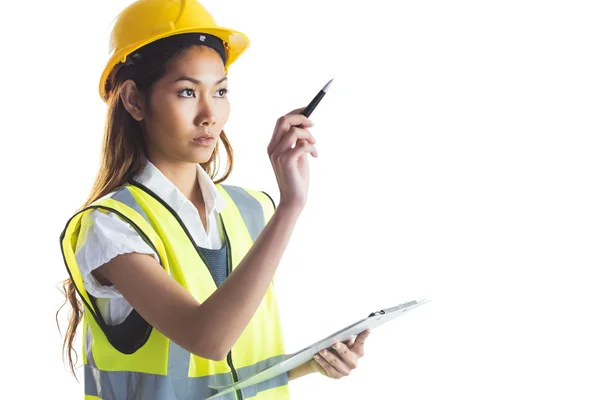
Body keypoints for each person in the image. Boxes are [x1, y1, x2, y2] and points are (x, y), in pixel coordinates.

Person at [56, 0, 370, 399]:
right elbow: (207, 338)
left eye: (220, 90)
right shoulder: (112, 226)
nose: (209, 114)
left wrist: (311, 362)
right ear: (134, 100)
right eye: (187, 92)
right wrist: (292, 205)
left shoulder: (252, 210)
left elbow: (222, 371)